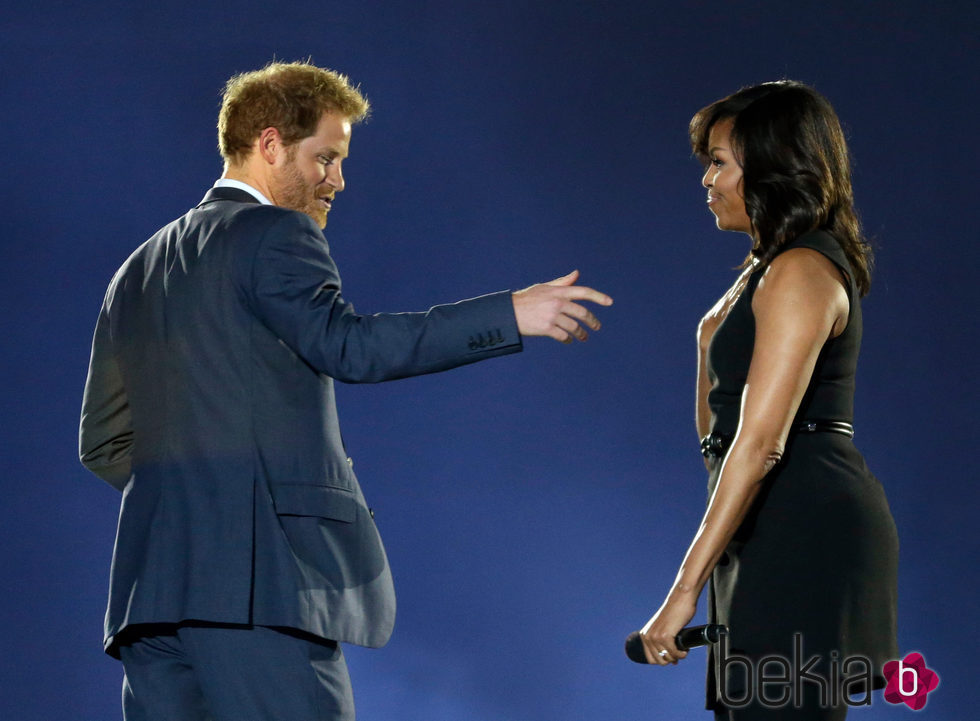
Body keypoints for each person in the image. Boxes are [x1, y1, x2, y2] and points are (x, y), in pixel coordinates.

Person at [79, 60, 612, 721]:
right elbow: (350, 347)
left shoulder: (135, 270)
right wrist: (510, 314)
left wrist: (192, 509)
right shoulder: (275, 233)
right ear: (270, 144)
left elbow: (102, 441)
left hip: (148, 606)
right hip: (258, 594)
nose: (338, 179)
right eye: (324, 158)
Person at [637, 81, 898, 720]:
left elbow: (758, 443)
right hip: (761, 528)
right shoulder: (767, 266)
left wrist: (682, 591)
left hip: (803, 528)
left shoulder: (803, 270)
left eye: (720, 162)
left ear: (774, 169)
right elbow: (724, 441)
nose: (707, 179)